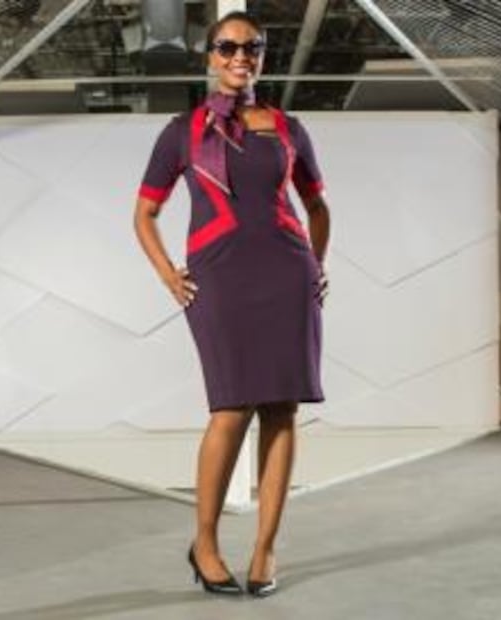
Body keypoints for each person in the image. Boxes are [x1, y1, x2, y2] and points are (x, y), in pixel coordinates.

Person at [132, 10, 331, 598]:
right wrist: (168, 275)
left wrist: (316, 265)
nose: (240, 56)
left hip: (287, 276)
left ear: (263, 55)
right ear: (210, 55)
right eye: (228, 47)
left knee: (283, 410)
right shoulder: (182, 131)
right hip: (219, 280)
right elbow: (144, 213)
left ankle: (266, 548)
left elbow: (317, 207)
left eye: (252, 47)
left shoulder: (289, 128)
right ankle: (206, 542)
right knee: (230, 409)